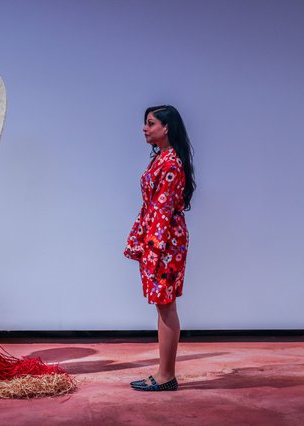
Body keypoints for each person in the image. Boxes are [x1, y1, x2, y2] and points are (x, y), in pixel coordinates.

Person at [124, 105, 195, 392]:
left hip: (164, 241)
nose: (145, 128)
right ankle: (164, 372)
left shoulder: (170, 164)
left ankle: (166, 375)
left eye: (150, 123)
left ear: (166, 128)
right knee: (163, 306)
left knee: (165, 306)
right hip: (161, 239)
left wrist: (152, 248)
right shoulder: (161, 159)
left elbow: (163, 210)